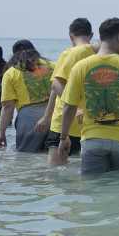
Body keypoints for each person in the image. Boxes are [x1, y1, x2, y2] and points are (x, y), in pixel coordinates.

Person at [59, 18, 119, 175]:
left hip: (93, 140)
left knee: (93, 190)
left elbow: (69, 106)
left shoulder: (81, 67)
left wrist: (63, 137)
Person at [41, 18, 98, 159]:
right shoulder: (99, 55)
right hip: (87, 125)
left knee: (55, 174)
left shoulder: (69, 53)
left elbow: (56, 85)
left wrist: (47, 117)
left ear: (71, 36)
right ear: (90, 35)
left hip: (62, 123)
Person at [0, 40, 55, 152]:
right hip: (55, 115)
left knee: (27, 158)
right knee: (54, 157)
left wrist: (1, 133)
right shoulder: (53, 65)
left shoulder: (11, 73)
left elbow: (8, 107)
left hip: (28, 119)